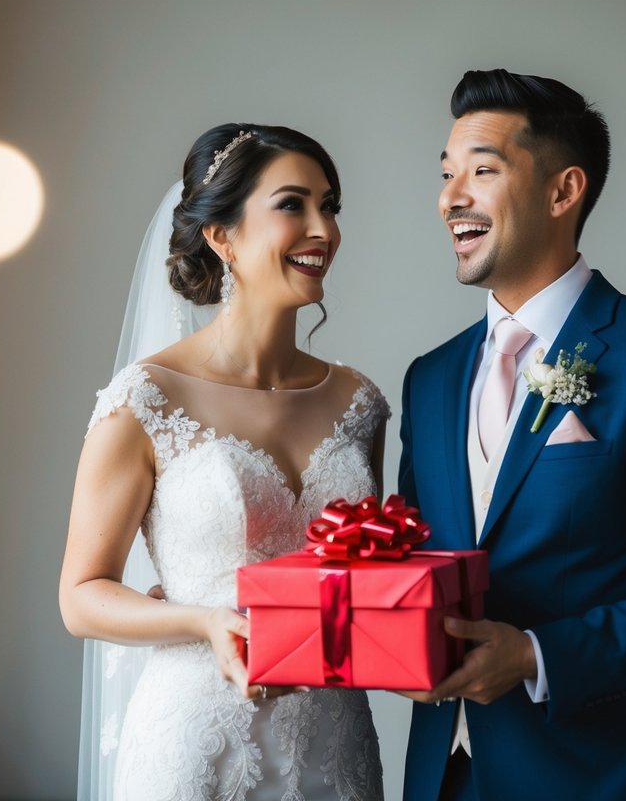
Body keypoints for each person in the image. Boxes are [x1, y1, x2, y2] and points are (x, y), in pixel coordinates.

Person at [395, 69, 626, 800]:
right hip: (445, 775)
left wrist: (536, 654)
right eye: (444, 174)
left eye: (481, 170)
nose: (450, 198)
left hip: (601, 776)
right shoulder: (429, 379)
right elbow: (417, 563)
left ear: (563, 191)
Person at [60, 123, 387, 800]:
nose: (323, 229)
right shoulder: (145, 399)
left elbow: (367, 576)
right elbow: (81, 596)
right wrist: (204, 621)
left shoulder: (359, 403)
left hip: (335, 742)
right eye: (292, 204)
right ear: (222, 237)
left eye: (329, 206)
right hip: (195, 740)